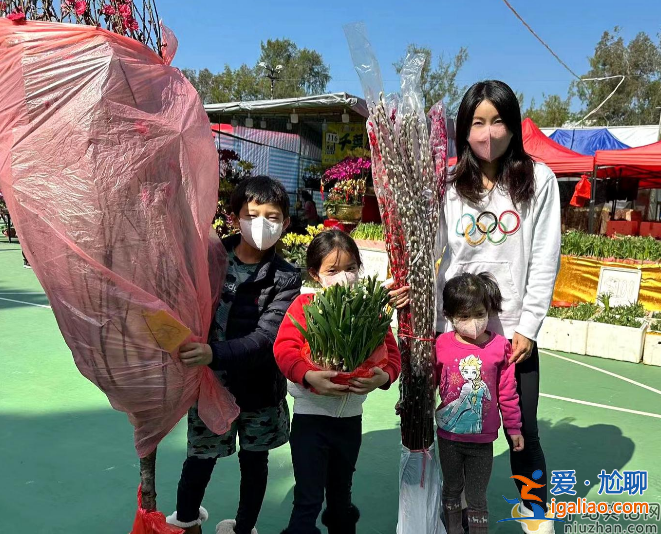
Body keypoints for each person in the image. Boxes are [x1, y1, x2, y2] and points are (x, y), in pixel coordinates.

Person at [437, 80, 561, 533]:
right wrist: (433, 326)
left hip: (509, 334)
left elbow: (546, 258)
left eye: (498, 121)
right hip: (455, 332)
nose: (488, 133)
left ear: (514, 125)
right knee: (454, 428)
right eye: (477, 123)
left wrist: (528, 325)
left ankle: (536, 513)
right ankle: (452, 512)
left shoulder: (538, 180)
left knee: (521, 429)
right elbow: (437, 258)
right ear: (463, 130)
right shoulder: (448, 185)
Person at [166, 176, 302, 534]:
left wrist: (212, 352)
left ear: (286, 223)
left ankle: (244, 528)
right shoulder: (209, 258)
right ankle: (187, 522)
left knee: (254, 463)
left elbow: (266, 338)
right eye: (252, 214)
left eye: (272, 217)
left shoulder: (286, 278)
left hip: (259, 390)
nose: (261, 224)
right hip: (210, 386)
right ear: (234, 217)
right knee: (200, 458)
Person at [273, 230, 402, 534]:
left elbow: (392, 354)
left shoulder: (369, 309)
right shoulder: (305, 306)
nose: (344, 277)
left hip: (350, 423)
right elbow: (284, 349)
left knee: (340, 496)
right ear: (316, 275)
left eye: (351, 268)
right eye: (332, 270)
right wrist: (307, 374)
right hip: (310, 421)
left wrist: (383, 377)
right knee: (308, 499)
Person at [436, 272, 524, 534]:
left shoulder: (500, 347)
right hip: (448, 437)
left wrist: (514, 429)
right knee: (451, 490)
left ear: (489, 310)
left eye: (479, 314)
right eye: (463, 317)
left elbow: (507, 392)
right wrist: (409, 403)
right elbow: (429, 380)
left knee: (476, 497)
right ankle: (452, 529)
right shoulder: (441, 344)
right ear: (450, 317)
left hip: (482, 442)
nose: (472, 323)